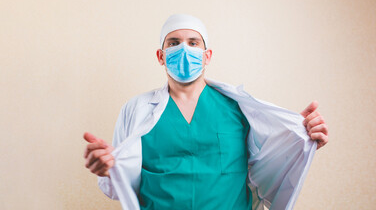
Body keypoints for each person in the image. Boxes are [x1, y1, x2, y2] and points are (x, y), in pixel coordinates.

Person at [83, 14, 328, 210]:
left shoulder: (238, 109)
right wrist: (108, 169)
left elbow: (267, 167)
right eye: (174, 43)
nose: (184, 50)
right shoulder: (136, 110)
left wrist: (299, 137)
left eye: (193, 43)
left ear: (206, 55)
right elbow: (116, 188)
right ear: (161, 56)